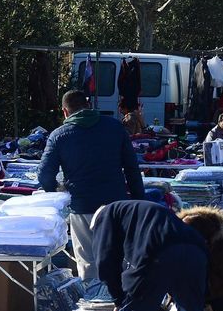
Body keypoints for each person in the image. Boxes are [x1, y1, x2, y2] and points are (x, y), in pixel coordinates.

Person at [39, 90, 145, 281]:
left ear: (65, 111)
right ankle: (120, 305)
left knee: (88, 265)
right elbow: (132, 169)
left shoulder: (58, 135)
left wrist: (56, 193)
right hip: (116, 205)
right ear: (88, 105)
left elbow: (44, 175)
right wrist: (139, 202)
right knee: (118, 260)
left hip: (82, 206)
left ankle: (93, 304)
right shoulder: (114, 127)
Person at [92, 200, 208, 311]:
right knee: (191, 309)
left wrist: (119, 300)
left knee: (136, 308)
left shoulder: (105, 216)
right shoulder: (135, 212)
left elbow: (104, 262)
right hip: (196, 248)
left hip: (157, 251)